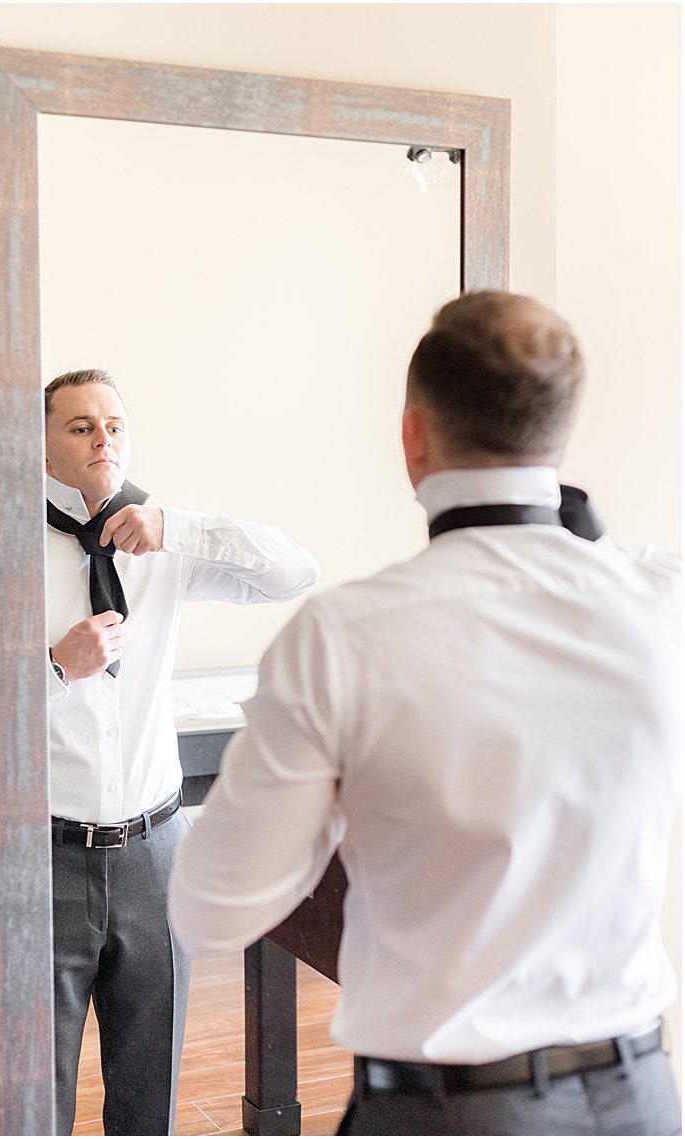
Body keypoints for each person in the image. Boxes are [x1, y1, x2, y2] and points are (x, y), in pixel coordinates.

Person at [168, 292, 681, 1136]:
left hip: (449, 1113)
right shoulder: (663, 601)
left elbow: (211, 907)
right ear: (558, 434)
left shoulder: (342, 638)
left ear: (413, 436)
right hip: (642, 1100)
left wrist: (343, 826)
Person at [43, 368, 319, 1135]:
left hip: (156, 852)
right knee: (36, 1100)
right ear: (41, 446)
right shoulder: (8, 550)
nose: (104, 439)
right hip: (45, 855)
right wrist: (57, 667)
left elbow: (295, 572)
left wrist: (178, 526)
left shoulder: (162, 541)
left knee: (149, 1092)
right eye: (80, 426)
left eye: (116, 425)